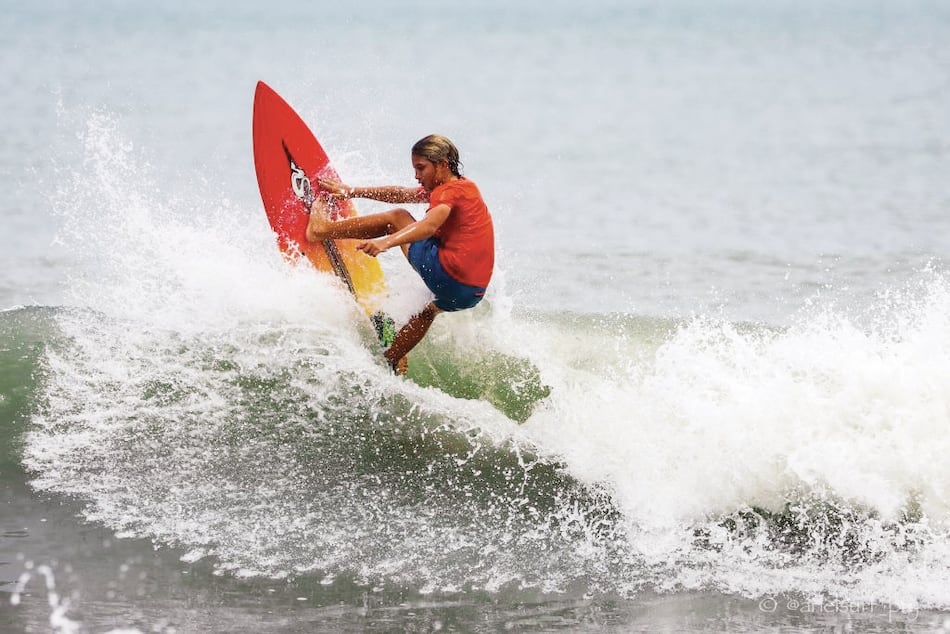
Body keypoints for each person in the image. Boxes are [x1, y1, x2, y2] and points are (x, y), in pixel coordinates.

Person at [306, 134, 494, 374]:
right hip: (469, 294)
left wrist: (387, 242)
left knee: (397, 218)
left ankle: (321, 230)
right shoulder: (464, 188)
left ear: (443, 164)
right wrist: (352, 191)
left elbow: (428, 226)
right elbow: (401, 193)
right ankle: (392, 358)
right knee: (428, 312)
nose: (416, 175)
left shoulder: (447, 193)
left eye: (421, 168)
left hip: (447, 274)